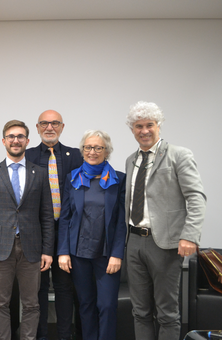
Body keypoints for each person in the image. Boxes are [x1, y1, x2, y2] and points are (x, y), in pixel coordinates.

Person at [125, 101, 206, 340]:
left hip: (165, 244)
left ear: (158, 126)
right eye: (138, 126)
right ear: (133, 130)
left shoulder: (179, 155)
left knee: (167, 314)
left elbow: (196, 197)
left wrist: (189, 235)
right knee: (139, 311)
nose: (144, 130)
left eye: (149, 125)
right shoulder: (131, 160)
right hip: (134, 242)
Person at [0, 120, 54, 340]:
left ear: (27, 141)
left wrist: (47, 251)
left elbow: (47, 216)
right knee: (0, 302)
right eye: (11, 136)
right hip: (0, 248)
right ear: (4, 141)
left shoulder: (39, 173)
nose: (16, 140)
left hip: (31, 248)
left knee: (31, 303)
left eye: (20, 136)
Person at [57, 130, 126, 340]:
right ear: (82, 151)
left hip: (107, 255)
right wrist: (63, 252)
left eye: (98, 147)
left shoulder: (119, 179)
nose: (92, 152)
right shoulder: (73, 178)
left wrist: (117, 254)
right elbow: (65, 218)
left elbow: (122, 221)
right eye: (88, 147)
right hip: (79, 253)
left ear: (107, 151)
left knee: (106, 305)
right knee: (85, 305)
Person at [26, 110, 83, 340]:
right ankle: (39, 336)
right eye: (44, 123)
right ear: (37, 128)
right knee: (36, 288)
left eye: (55, 123)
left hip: (66, 231)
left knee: (64, 287)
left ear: (62, 126)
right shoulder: (27, 155)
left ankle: (64, 336)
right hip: (36, 231)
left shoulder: (77, 156)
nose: (50, 127)